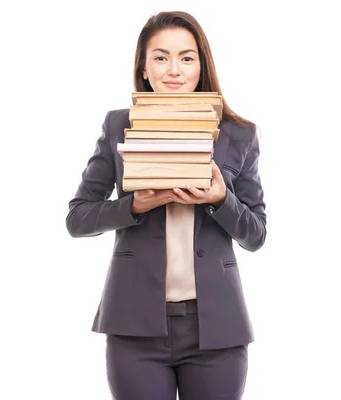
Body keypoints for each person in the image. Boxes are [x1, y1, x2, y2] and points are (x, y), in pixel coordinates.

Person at [66, 11, 267, 400]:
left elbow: (256, 234)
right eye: (160, 57)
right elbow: (77, 218)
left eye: (186, 58)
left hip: (216, 329)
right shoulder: (117, 126)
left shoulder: (237, 134)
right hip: (135, 326)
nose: (173, 70)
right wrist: (134, 207)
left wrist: (221, 200)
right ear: (143, 67)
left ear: (201, 65)